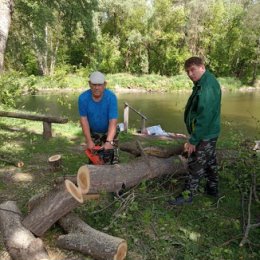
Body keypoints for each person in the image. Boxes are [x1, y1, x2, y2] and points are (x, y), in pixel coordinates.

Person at [169, 57, 222, 205]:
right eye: (188, 71)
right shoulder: (203, 82)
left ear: (202, 67)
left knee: (195, 163)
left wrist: (193, 140)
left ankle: (187, 196)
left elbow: (205, 116)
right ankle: (212, 190)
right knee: (210, 161)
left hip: (205, 134)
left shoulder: (207, 86)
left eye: (193, 70)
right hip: (208, 132)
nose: (190, 74)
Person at [78, 71, 119, 164]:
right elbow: (84, 120)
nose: (96, 88)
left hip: (109, 130)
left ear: (104, 84)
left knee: (110, 159)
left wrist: (108, 142)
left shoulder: (111, 97)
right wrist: (89, 140)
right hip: (93, 131)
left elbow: (113, 121)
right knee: (94, 159)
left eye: (99, 85)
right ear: (89, 84)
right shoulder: (83, 98)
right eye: (94, 84)